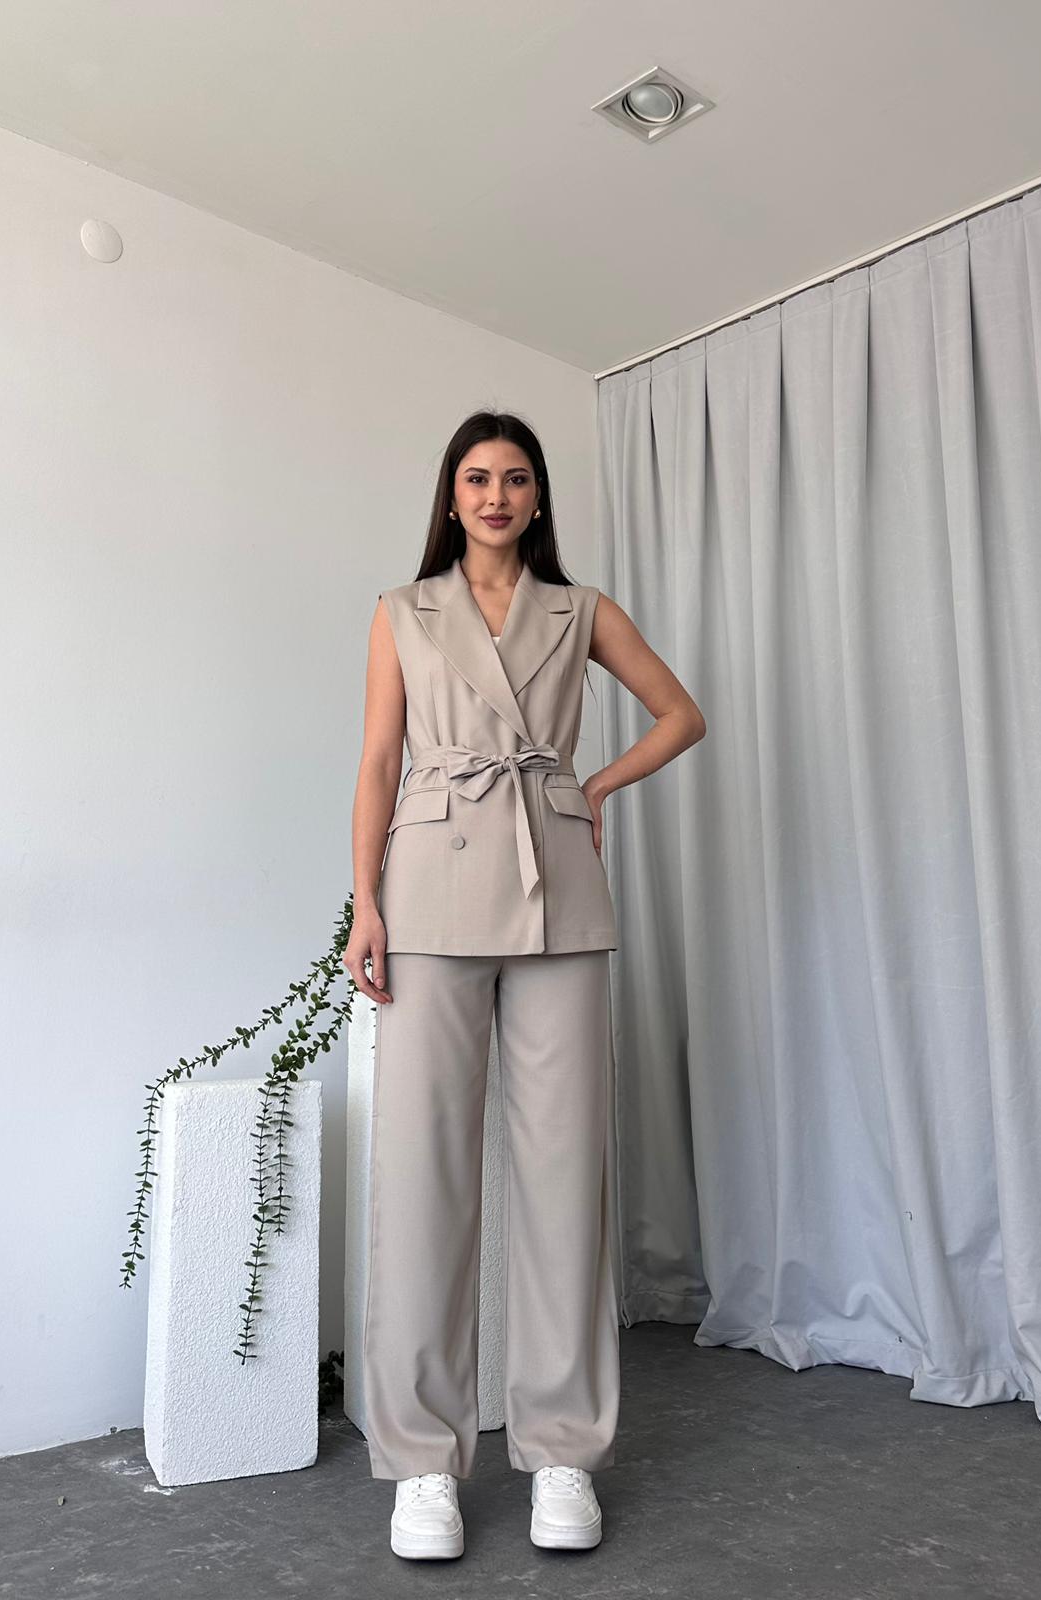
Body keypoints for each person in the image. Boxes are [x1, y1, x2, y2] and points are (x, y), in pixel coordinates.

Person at [344, 409, 706, 1559]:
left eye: (514, 478)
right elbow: (379, 761)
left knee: (564, 1177)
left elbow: (682, 714)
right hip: (431, 887)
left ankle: (562, 1452)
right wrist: (365, 900)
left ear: (538, 496)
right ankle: (422, 1464)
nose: (495, 495)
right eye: (476, 477)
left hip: (557, 884)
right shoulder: (403, 611)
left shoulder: (580, 609)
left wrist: (593, 785)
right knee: (424, 1173)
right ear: (451, 497)